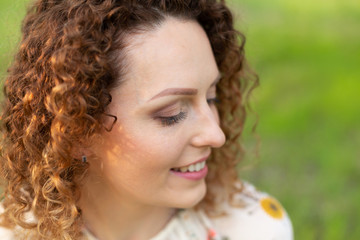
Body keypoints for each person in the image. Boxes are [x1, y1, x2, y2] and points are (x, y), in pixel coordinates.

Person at [0, 0, 293, 239]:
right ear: (75, 129)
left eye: (211, 98)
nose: (216, 134)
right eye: (172, 114)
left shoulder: (256, 229)